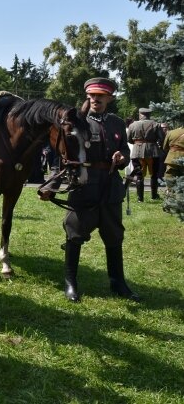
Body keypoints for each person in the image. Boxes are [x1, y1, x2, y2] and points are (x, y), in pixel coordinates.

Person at [40, 77, 138, 303]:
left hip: (111, 186)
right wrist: (52, 186)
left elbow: (124, 148)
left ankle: (118, 282)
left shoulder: (116, 122)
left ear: (110, 98)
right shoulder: (78, 122)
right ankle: (71, 282)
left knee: (114, 235)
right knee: (75, 232)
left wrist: (122, 157)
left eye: (101, 96)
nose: (96, 99)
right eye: (92, 95)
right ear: (88, 97)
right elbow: (65, 158)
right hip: (85, 185)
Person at [127, 107, 164, 201]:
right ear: (149, 115)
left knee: (139, 175)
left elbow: (129, 140)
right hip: (153, 151)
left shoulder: (132, 125)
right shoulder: (156, 124)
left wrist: (138, 143)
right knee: (154, 175)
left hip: (137, 151)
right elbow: (162, 138)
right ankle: (154, 196)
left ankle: (140, 198)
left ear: (140, 114)